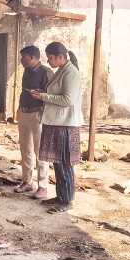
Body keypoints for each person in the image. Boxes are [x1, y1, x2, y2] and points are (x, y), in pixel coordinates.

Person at [30, 42, 82, 213]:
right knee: (58, 163)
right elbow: (57, 93)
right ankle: (61, 197)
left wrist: (44, 96)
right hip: (57, 122)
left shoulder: (71, 72)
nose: (48, 60)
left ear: (60, 56)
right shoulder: (62, 70)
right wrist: (43, 93)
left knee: (65, 164)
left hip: (65, 125)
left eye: (50, 57)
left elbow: (68, 100)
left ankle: (67, 201)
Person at [14, 46, 54, 199]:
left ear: (31, 57)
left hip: (38, 115)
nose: (21, 60)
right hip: (24, 113)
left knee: (40, 151)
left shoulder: (46, 72)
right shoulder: (27, 71)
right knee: (25, 149)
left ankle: (42, 187)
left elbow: (53, 95)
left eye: (23, 57)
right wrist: (19, 110)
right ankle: (27, 182)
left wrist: (41, 94)